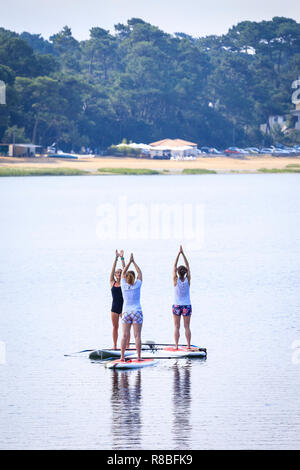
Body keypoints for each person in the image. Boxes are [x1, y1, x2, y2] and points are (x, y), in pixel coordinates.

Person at [120, 253, 143, 361]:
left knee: (124, 335)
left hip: (126, 312)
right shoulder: (137, 284)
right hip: (137, 312)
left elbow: (123, 272)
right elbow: (139, 273)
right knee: (137, 336)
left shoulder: (123, 285)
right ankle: (138, 357)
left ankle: (122, 357)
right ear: (134, 278)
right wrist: (133, 261)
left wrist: (128, 262)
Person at [173, 245, 192, 349]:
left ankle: (176, 346)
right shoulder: (188, 280)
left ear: (177, 272)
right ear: (185, 273)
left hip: (176, 306)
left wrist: (178, 254)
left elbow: (174, 266)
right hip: (186, 306)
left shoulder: (175, 280)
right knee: (187, 327)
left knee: (176, 326)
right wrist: (183, 253)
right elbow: (188, 266)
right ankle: (188, 345)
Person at [110, 249, 126, 349]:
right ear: (115, 275)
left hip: (123, 308)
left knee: (125, 329)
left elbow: (125, 268)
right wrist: (116, 258)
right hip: (114, 308)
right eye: (117, 273)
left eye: (120, 273)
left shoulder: (124, 283)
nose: (119, 274)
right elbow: (112, 270)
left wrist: (122, 258)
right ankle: (115, 346)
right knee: (115, 327)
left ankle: (126, 346)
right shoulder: (112, 282)